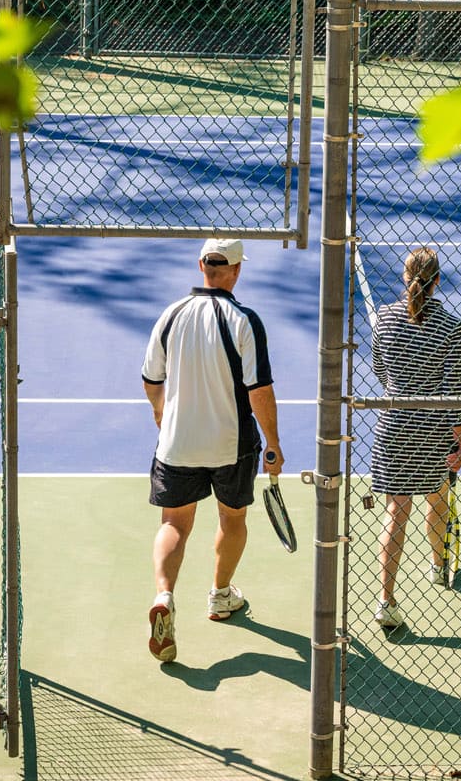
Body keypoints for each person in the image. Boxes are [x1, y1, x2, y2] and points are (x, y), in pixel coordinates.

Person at [141, 238, 283, 663]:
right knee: (232, 517)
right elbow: (259, 390)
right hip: (230, 445)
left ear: (201, 266)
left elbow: (151, 378)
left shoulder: (171, 315)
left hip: (177, 443)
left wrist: (161, 412)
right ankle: (221, 596)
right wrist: (273, 442)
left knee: (175, 523)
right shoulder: (244, 320)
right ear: (236, 271)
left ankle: (163, 596)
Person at [369, 246, 461, 632]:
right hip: (433, 430)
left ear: (403, 279)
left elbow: (379, 368)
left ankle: (386, 601)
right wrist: (458, 436)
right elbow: (451, 388)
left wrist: (400, 391)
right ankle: (440, 566)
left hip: (392, 427)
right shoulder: (451, 326)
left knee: (397, 510)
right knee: (438, 497)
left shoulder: (384, 320)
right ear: (438, 281)